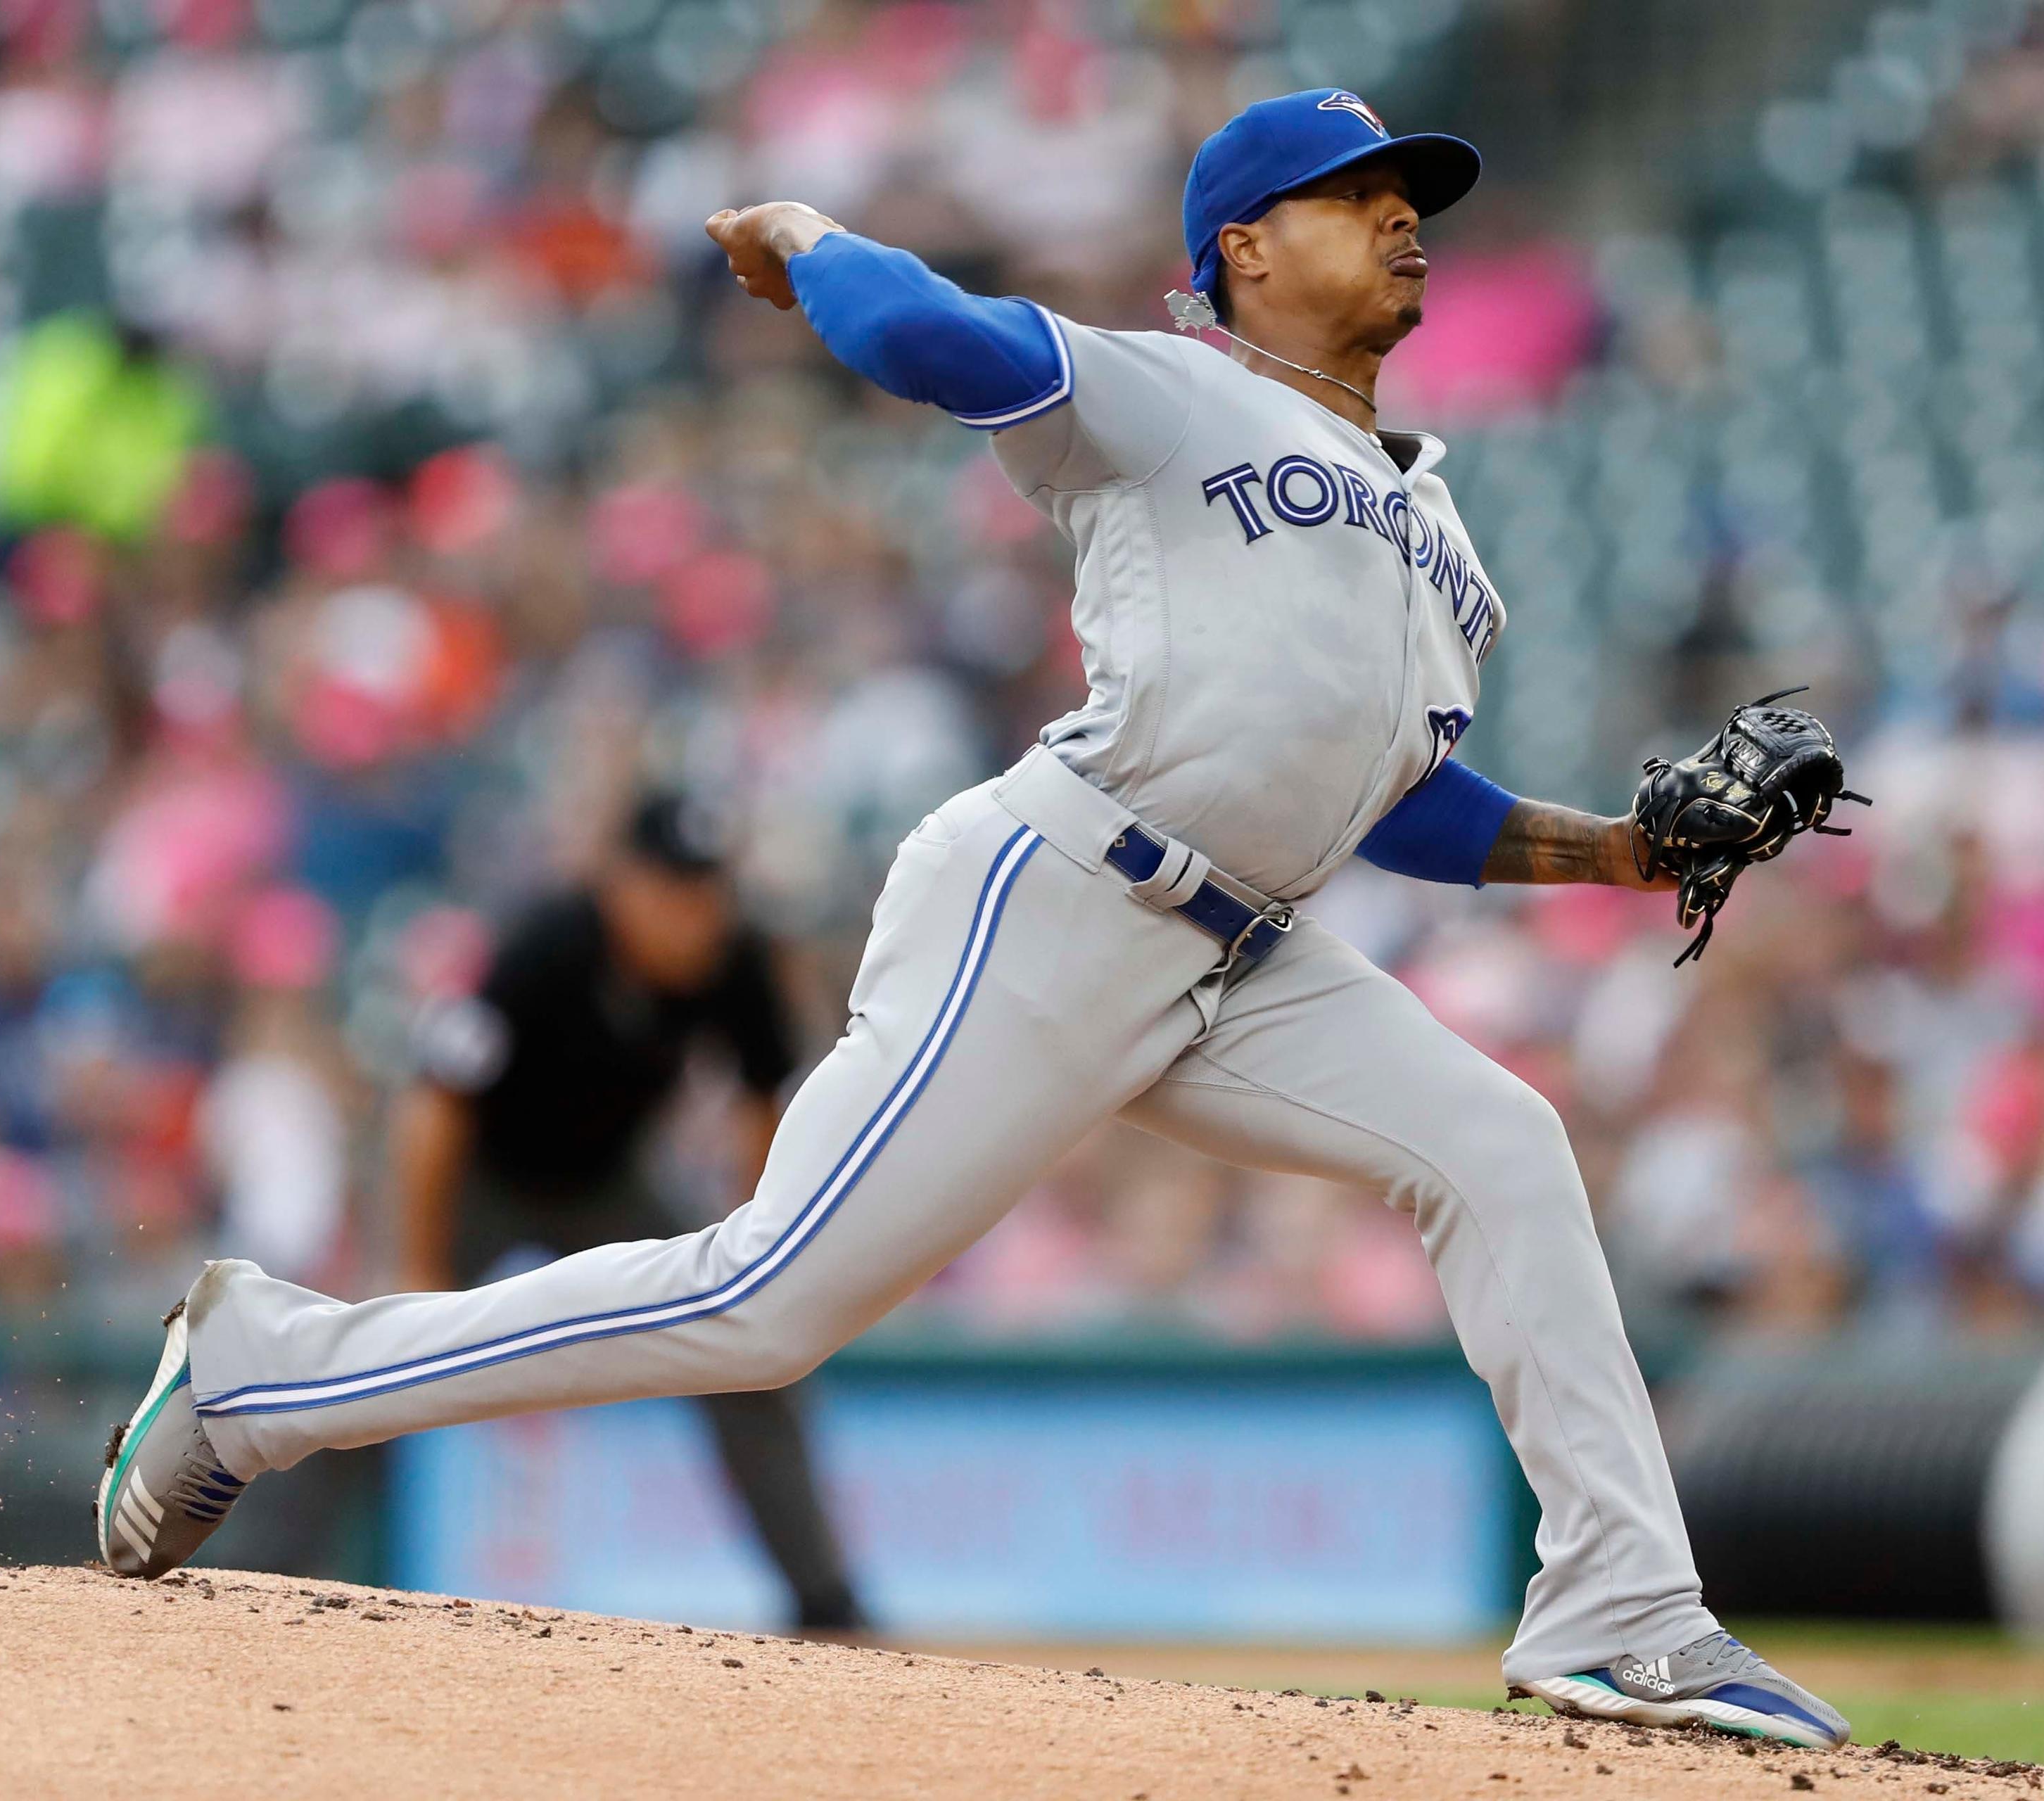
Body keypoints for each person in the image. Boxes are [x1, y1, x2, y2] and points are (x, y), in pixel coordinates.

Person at [97, 89, 1849, 1747]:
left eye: (1418, 202)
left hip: (1250, 950)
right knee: (762, 1301)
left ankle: (1620, 1606)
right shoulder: (1169, 391)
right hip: (1065, 889)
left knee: (1502, 1141)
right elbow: (933, 340)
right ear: (1241, 246)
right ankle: (260, 1369)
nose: (1405, 219)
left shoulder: (1435, 522)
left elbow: (1400, 801)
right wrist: (814, 235)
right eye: (1358, 196)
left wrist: (1620, 851)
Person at [395, 794, 865, 1631]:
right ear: (621, 884)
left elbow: (764, 1112)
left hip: (606, 1184)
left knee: (742, 1341)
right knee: (381, 1338)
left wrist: (752, 1251)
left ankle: (826, 1600)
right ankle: (278, 1563)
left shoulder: (736, 958)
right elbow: (435, 1110)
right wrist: (418, 1264)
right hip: (479, 1177)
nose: (694, 914)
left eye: (708, 891)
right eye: (672, 890)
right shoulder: (546, 944)